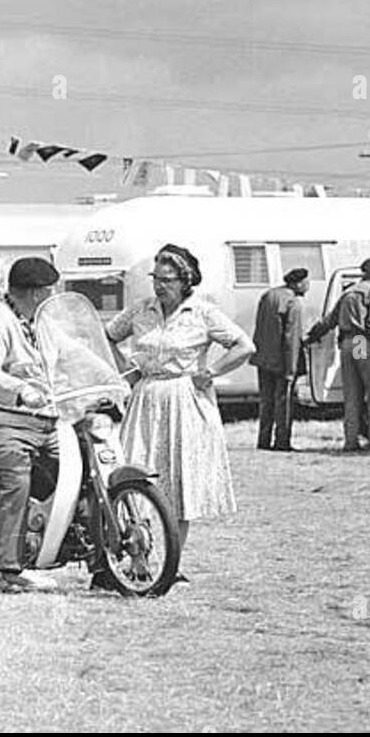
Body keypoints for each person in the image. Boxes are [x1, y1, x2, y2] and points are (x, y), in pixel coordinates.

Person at [105, 244, 255, 573]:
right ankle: (138, 559)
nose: (160, 286)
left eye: (168, 279)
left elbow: (244, 345)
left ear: (185, 281)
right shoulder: (141, 310)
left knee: (178, 482)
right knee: (134, 476)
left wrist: (211, 372)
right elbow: (107, 336)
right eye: (155, 278)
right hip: (146, 397)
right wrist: (126, 372)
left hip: (185, 399)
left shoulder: (202, 312)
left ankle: (173, 562)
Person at [0, 257, 63, 594]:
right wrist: (20, 389)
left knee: (87, 464)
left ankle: (100, 560)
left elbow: (74, 353)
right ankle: (1, 570)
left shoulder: (42, 322)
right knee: (17, 476)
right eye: (51, 291)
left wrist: (112, 380)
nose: (55, 296)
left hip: (44, 418)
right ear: (36, 293)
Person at [305, 257, 370, 451]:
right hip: (362, 342)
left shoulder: (348, 292)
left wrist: (311, 336)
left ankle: (351, 441)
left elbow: (329, 321)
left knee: (352, 396)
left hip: (347, 343)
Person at [250, 267, 309, 451]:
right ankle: (282, 440)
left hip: (263, 357)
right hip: (282, 360)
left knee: (266, 400)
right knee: (283, 402)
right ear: (298, 283)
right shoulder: (294, 303)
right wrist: (291, 369)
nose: (308, 286)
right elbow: (292, 339)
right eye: (307, 282)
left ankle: (263, 440)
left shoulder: (268, 295)